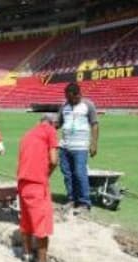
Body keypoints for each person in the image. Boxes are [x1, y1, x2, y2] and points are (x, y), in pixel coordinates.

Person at [16, 113, 59, 262]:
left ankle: (26, 254)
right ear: (52, 123)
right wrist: (46, 174)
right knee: (42, 226)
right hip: (37, 184)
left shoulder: (27, 135)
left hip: (22, 183)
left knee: (26, 221)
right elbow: (54, 160)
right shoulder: (50, 131)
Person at [56, 82, 99, 214]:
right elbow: (59, 123)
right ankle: (71, 199)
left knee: (80, 174)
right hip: (64, 147)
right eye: (67, 97)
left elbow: (95, 125)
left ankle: (85, 203)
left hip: (80, 147)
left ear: (78, 95)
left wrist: (94, 144)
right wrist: (46, 128)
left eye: (70, 98)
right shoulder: (64, 106)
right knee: (67, 175)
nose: (68, 100)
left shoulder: (88, 105)